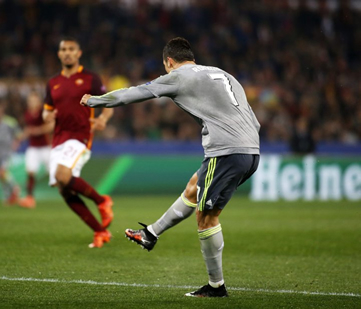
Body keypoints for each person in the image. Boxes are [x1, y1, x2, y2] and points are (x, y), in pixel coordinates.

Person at [81, 37, 260, 297]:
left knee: (206, 217)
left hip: (226, 151)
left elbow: (135, 93)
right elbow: (251, 117)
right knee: (192, 189)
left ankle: (216, 287)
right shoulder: (223, 74)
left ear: (169, 62)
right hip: (251, 149)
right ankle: (151, 234)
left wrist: (95, 101)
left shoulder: (178, 75)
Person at [43, 37, 115, 248]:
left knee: (62, 175)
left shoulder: (90, 78)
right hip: (58, 139)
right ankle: (100, 232)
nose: (67, 53)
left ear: (78, 53)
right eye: (63, 49)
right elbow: (47, 111)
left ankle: (102, 201)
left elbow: (110, 100)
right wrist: (46, 116)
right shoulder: (53, 83)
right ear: (59, 54)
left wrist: (102, 118)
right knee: (64, 189)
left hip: (81, 135)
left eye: (71, 49)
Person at [18, 92, 54, 209]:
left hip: (45, 147)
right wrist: (19, 139)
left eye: (34, 100)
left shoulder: (44, 112)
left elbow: (51, 126)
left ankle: (70, 194)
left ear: (39, 102)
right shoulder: (27, 114)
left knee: (55, 175)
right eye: (30, 100)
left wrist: (37, 131)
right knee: (30, 172)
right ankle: (30, 198)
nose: (31, 103)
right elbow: (28, 130)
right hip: (33, 147)